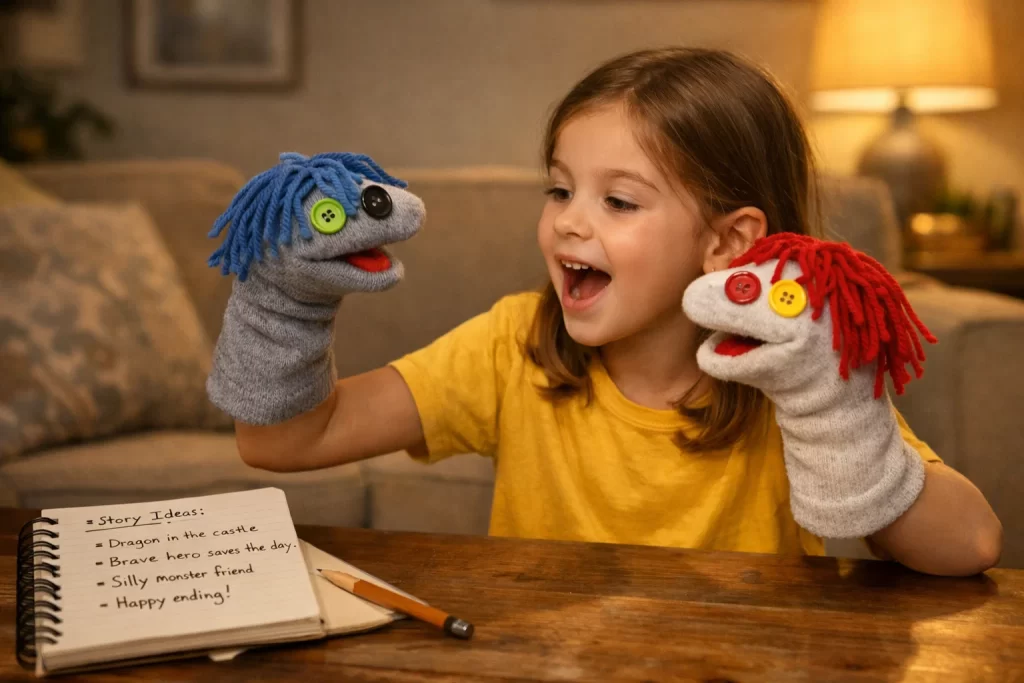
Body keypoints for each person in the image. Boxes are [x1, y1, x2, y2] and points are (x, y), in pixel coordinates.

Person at [207, 48, 1002, 577]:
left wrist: (832, 412)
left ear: (728, 242)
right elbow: (281, 440)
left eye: (619, 200)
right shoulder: (512, 346)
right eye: (560, 189)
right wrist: (283, 305)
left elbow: (971, 543)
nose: (569, 223)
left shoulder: (791, 379)